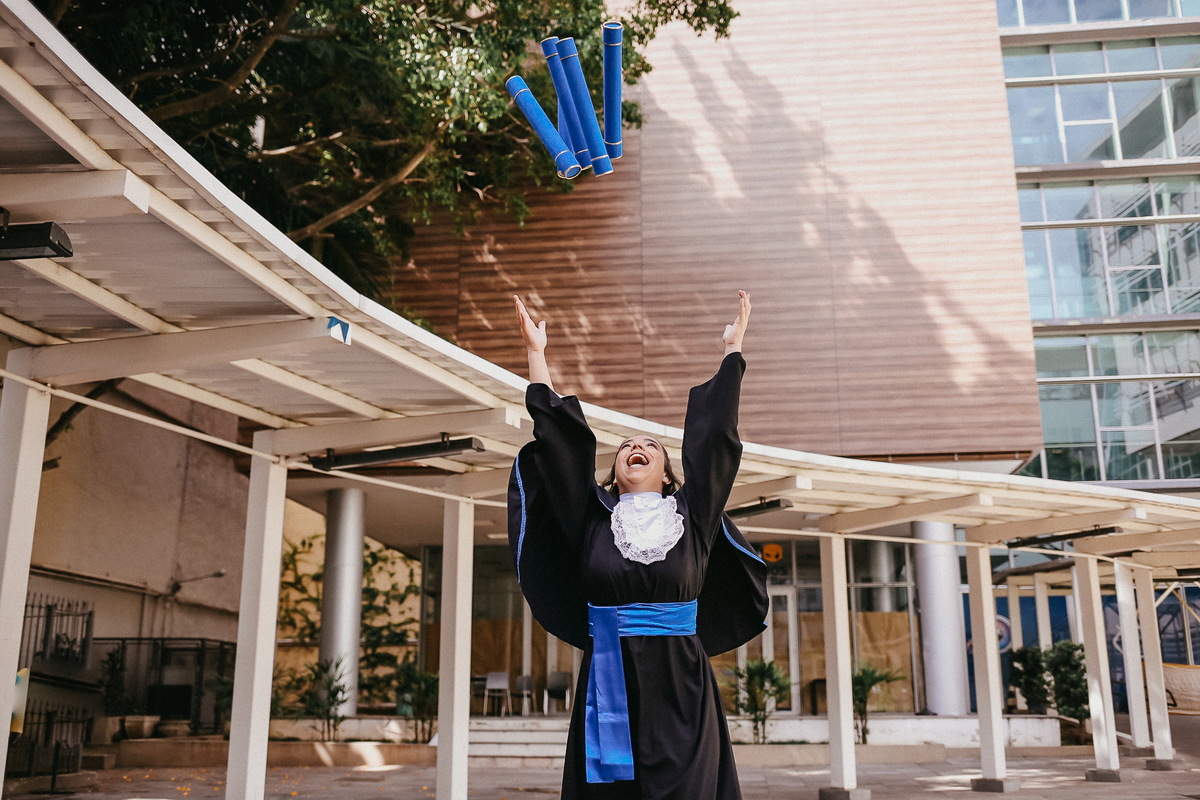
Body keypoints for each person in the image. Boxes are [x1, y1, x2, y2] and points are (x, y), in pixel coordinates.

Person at [507, 291, 768, 800]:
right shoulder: (593, 521)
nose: (637, 447)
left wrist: (732, 353)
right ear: (613, 475)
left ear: (670, 476)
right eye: (626, 445)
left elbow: (716, 442)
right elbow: (560, 450)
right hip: (610, 678)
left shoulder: (692, 517)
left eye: (649, 445)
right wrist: (537, 357)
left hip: (683, 686)